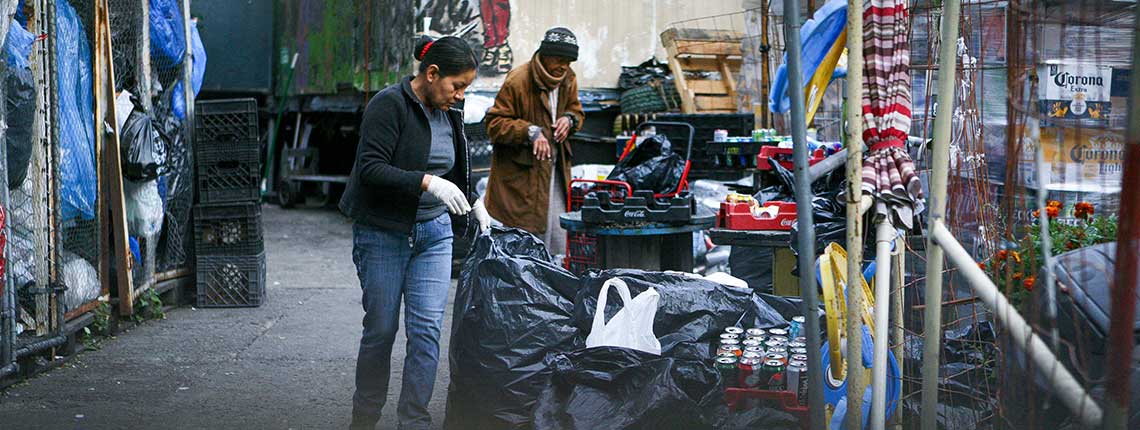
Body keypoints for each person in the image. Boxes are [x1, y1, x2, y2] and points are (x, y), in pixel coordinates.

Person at [339, 35, 491, 430]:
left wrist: (473, 200)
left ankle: (414, 422)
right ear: (432, 73)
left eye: (466, 89)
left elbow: (454, 168)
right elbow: (370, 168)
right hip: (384, 233)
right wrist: (427, 182)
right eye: (457, 86)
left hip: (434, 234)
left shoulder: (450, 113)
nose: (460, 96)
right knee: (381, 330)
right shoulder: (389, 105)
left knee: (426, 333)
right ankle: (365, 417)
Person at [484, 27, 585, 256]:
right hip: (521, 177)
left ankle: (551, 283)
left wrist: (569, 120)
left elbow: (577, 111)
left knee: (559, 237)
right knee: (524, 240)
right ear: (545, 55)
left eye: (569, 61)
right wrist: (530, 132)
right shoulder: (518, 80)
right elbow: (494, 123)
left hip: (555, 171)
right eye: (560, 59)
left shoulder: (568, 78)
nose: (564, 66)